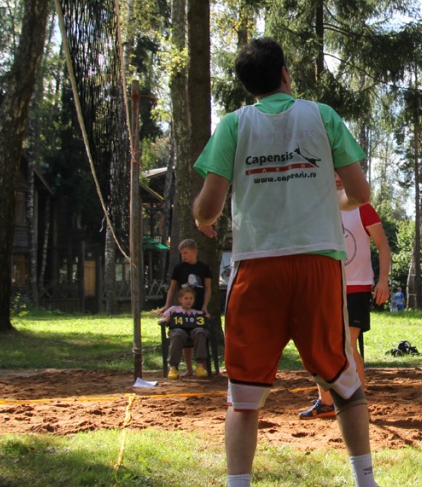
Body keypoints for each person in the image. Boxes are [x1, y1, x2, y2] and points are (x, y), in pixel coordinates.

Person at [192, 38, 378, 487]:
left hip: (257, 266)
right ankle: (366, 481)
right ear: (284, 74)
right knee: (344, 384)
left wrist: (202, 219)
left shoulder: (233, 124)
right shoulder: (322, 115)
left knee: (243, 398)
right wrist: (333, 199)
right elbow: (360, 193)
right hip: (318, 261)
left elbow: (208, 208)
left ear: (247, 85)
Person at [300, 174, 392, 420]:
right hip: (324, 286)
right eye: (332, 173)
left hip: (356, 288)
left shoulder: (362, 207)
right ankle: (326, 403)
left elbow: (383, 245)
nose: (338, 178)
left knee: (347, 346)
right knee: (320, 346)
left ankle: (357, 404)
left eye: (342, 172)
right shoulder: (318, 208)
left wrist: (383, 280)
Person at [158, 239, 213, 375]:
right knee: (181, 332)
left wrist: (205, 306)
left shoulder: (204, 267)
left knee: (199, 332)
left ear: (194, 251)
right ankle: (188, 369)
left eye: (186, 253)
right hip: (182, 308)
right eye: (181, 253)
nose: (183, 256)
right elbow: (172, 288)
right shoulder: (179, 268)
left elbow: (208, 288)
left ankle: (201, 367)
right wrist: (167, 305)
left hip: (198, 307)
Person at [158, 286, 209, 379]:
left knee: (200, 331)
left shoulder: (197, 313)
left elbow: (206, 321)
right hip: (178, 332)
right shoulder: (174, 309)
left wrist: (207, 317)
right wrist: (166, 319)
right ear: (180, 299)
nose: (189, 301)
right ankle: (173, 368)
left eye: (191, 298)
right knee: (178, 333)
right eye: (186, 298)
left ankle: (200, 366)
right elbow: (160, 320)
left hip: (193, 333)